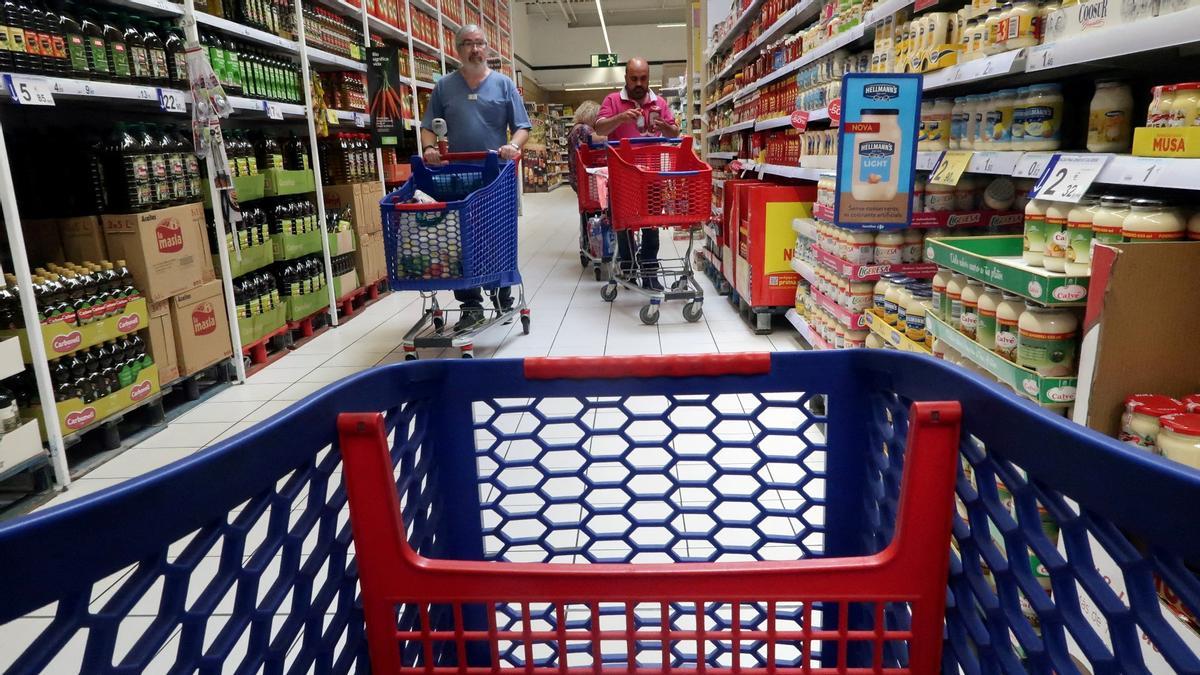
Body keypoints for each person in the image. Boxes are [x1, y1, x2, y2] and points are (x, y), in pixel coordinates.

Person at [421, 24, 531, 330]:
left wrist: (512, 145)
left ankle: (500, 294)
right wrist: (430, 147)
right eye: (467, 44)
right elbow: (428, 125)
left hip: (493, 175)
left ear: (487, 48)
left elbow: (523, 126)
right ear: (457, 50)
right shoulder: (444, 87)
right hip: (455, 176)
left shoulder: (504, 85)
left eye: (480, 43)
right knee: (460, 240)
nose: (475, 49)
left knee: (496, 235)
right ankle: (470, 304)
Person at [593, 58, 680, 291]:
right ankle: (629, 268)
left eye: (643, 78)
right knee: (624, 225)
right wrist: (620, 118)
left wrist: (664, 127)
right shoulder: (612, 100)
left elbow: (674, 133)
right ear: (626, 78)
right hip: (622, 178)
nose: (639, 83)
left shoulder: (659, 102)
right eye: (634, 78)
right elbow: (599, 128)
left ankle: (650, 271)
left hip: (651, 178)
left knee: (651, 226)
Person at [566, 100, 601, 194]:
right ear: (591, 115)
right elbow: (601, 139)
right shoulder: (584, 128)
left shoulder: (574, 128)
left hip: (575, 174)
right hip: (585, 175)